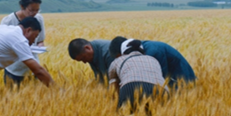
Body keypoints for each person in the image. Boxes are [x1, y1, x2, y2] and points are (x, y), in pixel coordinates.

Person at [68, 37, 197, 88]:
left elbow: (158, 79)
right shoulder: (141, 51)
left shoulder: (152, 52)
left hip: (180, 77)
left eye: (83, 59)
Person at [108, 38, 168, 110]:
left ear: (123, 53)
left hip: (131, 87)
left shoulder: (117, 61)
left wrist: (115, 108)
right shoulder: (154, 60)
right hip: (161, 90)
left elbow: (113, 90)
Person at [1, 0, 46, 88]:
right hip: (13, 69)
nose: (34, 13)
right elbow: (3, 46)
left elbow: (40, 41)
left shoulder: (39, 18)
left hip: (33, 68)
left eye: (37, 10)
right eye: (31, 10)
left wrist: (40, 47)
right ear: (22, 7)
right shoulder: (8, 21)